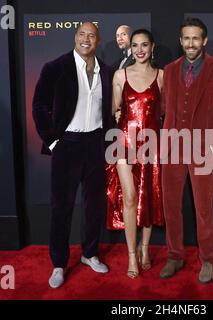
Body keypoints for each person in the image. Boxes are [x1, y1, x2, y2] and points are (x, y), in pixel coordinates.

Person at [32, 22, 113, 288]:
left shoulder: (107, 71)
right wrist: (53, 142)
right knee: (61, 207)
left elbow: (110, 112)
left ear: (98, 40)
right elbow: (39, 106)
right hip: (66, 144)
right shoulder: (55, 68)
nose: (86, 39)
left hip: (95, 144)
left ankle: (90, 254)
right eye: (81, 34)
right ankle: (58, 263)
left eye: (91, 35)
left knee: (94, 206)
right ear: (75, 37)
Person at [159, 17, 213, 283]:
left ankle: (207, 260)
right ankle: (175, 256)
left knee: (203, 208)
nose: (190, 43)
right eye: (186, 38)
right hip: (171, 149)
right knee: (171, 206)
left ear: (203, 40)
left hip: (202, 148)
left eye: (195, 38)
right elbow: (165, 109)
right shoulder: (169, 70)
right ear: (181, 41)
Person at [106, 29, 164, 279]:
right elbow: (113, 111)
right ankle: (131, 255)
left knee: (148, 197)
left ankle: (144, 248)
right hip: (124, 143)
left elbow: (165, 112)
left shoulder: (162, 76)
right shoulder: (120, 75)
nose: (139, 50)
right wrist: (118, 116)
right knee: (129, 196)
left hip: (151, 144)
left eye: (144, 45)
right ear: (130, 48)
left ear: (152, 46)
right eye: (135, 45)